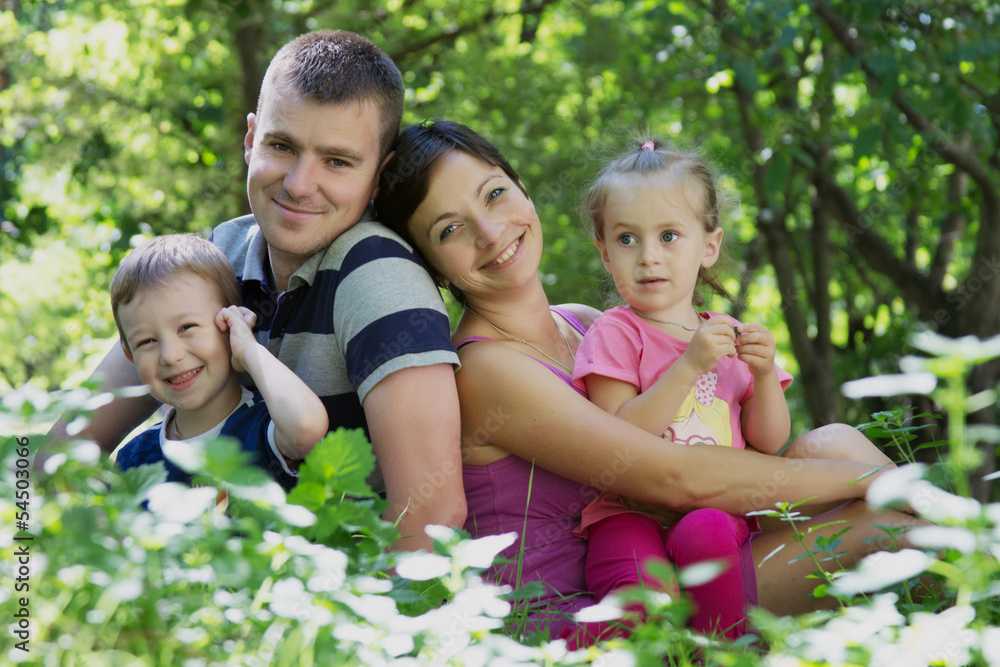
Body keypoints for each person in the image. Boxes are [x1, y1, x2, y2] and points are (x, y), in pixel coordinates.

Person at [374, 119, 913, 644]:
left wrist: (768, 380)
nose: (489, 232)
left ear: (523, 190)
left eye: (494, 195)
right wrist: (865, 480)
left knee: (833, 442)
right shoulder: (489, 369)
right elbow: (676, 478)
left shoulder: (584, 322)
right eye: (449, 229)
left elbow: (747, 437)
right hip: (591, 616)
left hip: (681, 557)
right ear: (434, 267)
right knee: (889, 520)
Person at [50, 31, 466, 553]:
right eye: (281, 145)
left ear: (380, 176)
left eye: (337, 161)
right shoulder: (219, 253)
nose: (298, 183)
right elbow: (64, 447)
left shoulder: (379, 276)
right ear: (251, 139)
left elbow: (430, 513)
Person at [111, 234, 327, 492]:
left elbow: (307, 429)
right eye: (146, 341)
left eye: (187, 327)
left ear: (228, 324)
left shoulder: (261, 430)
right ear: (130, 355)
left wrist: (248, 348)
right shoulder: (134, 463)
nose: (169, 355)